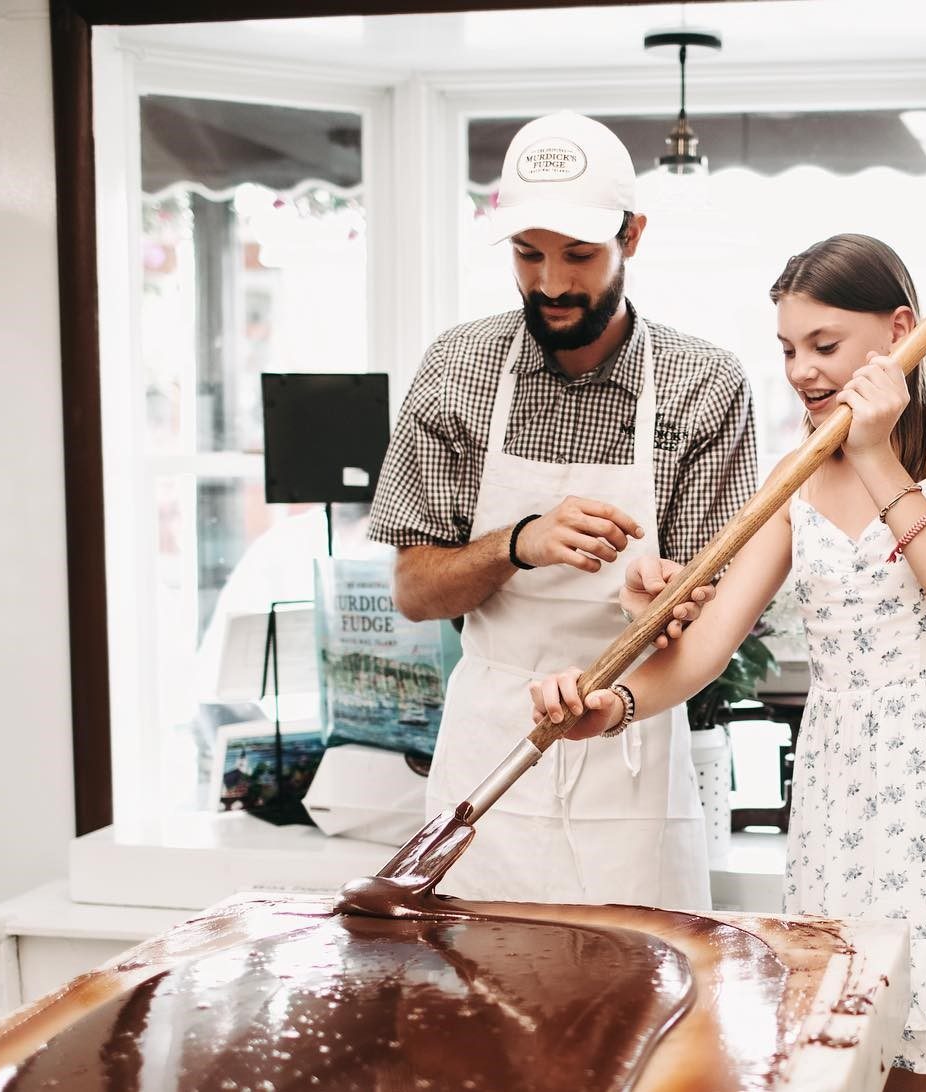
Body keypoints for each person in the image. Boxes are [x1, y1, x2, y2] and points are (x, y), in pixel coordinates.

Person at [530, 235, 926, 1088]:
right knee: (839, 1059)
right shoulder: (792, 476)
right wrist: (610, 710)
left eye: (824, 346)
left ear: (903, 330)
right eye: (788, 349)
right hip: (838, 790)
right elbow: (701, 654)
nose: (800, 371)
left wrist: (870, 452)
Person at [367, 112, 759, 910]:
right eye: (527, 253)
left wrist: (662, 600)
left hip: (631, 741)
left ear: (633, 236)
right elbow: (414, 592)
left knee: (639, 1005)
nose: (550, 283)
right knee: (480, 1001)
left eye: (578, 255)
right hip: (490, 742)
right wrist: (518, 544)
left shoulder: (704, 384)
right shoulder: (457, 369)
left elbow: (718, 616)